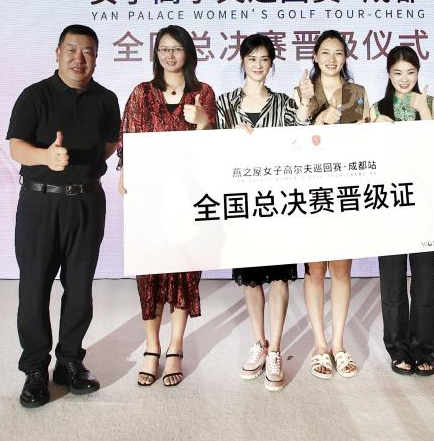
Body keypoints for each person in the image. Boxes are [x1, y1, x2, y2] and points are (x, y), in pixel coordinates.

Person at [6, 24, 121, 408]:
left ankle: (69, 362)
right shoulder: (35, 95)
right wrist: (47, 157)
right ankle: (35, 369)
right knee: (34, 287)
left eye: (87, 51)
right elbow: (16, 147)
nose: (78, 58)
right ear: (57, 53)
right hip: (40, 204)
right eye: (71, 50)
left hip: (87, 203)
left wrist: (81, 169)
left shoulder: (106, 99)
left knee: (80, 286)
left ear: (96, 57)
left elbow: (109, 144)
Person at [117, 25, 216, 387]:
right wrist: (124, 171)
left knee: (184, 270)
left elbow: (213, 150)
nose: (170, 55)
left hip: (188, 196)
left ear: (188, 52)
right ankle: (152, 346)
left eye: (176, 48)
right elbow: (127, 137)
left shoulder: (202, 93)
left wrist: (203, 123)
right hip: (150, 196)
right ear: (156, 53)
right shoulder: (142, 93)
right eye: (163, 49)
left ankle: (175, 346)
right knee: (150, 271)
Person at [215, 33, 311, 392]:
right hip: (242, 203)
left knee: (279, 278)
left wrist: (304, 105)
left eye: (264, 59)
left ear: (272, 64)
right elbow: (212, 146)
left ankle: (276, 349)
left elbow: (300, 134)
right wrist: (230, 135)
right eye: (252, 58)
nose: (258, 65)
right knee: (251, 279)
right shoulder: (225, 103)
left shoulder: (283, 102)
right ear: (242, 61)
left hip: (277, 201)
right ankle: (259, 342)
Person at [295, 29, 369, 379]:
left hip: (345, 190)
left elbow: (365, 140)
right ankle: (319, 345)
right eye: (325, 52)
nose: (331, 59)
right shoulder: (303, 90)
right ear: (315, 56)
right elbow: (292, 141)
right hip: (311, 190)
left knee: (341, 270)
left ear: (345, 57)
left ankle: (338, 344)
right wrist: (313, 114)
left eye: (338, 52)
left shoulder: (358, 93)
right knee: (315, 270)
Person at [369, 45, 434, 377]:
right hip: (389, 204)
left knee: (426, 281)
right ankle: (398, 348)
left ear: (418, 73)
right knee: (393, 283)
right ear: (388, 74)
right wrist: (374, 129)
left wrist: (425, 111)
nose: (403, 79)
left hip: (426, 204)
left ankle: (425, 348)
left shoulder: (432, 104)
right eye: (397, 72)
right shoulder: (377, 108)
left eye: (410, 72)